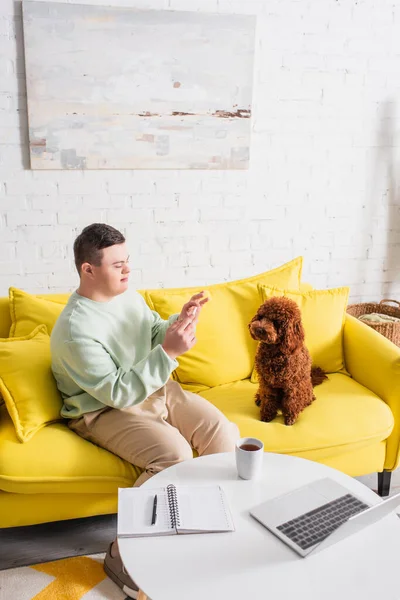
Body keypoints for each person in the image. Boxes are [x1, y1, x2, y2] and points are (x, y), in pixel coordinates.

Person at [50, 223, 239, 599]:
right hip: (102, 408)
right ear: (88, 269)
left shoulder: (127, 296)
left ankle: (195, 526)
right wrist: (168, 352)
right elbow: (117, 392)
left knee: (224, 434)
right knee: (173, 455)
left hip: (154, 387)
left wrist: (179, 322)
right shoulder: (75, 330)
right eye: (117, 264)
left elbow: (152, 330)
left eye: (128, 261)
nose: (127, 270)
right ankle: (121, 555)